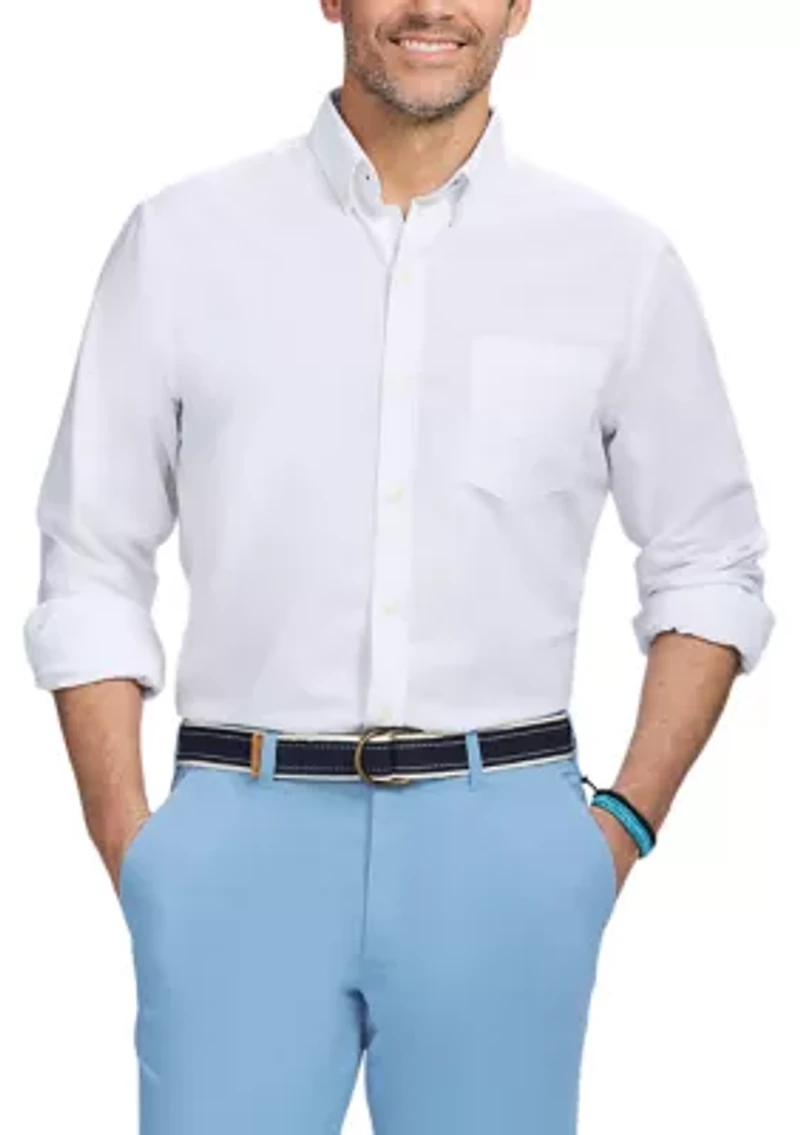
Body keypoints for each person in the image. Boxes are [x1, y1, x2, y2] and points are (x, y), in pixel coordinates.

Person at [22, 1, 774, 1132]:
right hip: (238, 838)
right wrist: (137, 847)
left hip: (507, 842)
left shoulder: (617, 264)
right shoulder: (180, 242)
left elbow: (709, 560)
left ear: (520, 6)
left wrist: (618, 826)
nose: (430, 6)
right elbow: (90, 556)